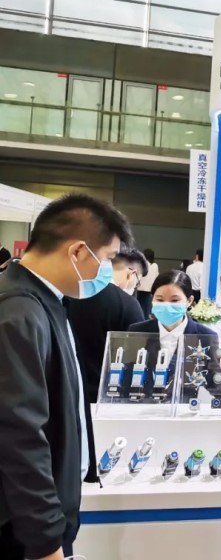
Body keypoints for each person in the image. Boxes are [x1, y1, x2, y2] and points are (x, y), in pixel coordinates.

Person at [0, 193, 133, 560]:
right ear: (77, 252)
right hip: (20, 531)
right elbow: (19, 437)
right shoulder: (19, 312)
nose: (107, 271)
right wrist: (46, 542)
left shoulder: (46, 301)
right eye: (106, 258)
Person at [128, 270, 221, 407]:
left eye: (174, 300)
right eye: (160, 300)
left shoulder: (205, 336)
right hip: (140, 408)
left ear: (189, 301)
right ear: (152, 298)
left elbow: (212, 378)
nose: (167, 305)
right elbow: (127, 372)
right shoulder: (138, 332)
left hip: (183, 410)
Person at [66, 248, 148, 401]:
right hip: (105, 394)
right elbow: (136, 357)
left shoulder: (71, 293)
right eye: (137, 283)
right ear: (131, 274)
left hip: (64, 389)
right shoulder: (128, 304)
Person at [136, 248, 158, 317]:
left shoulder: (140, 264)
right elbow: (156, 278)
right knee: (147, 310)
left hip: (139, 289)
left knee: (139, 308)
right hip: (149, 291)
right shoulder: (154, 265)